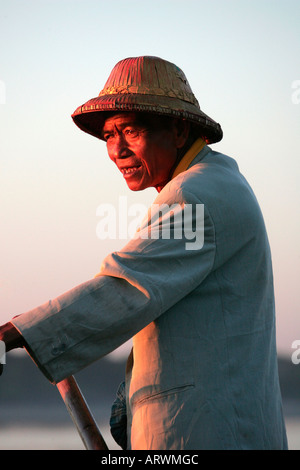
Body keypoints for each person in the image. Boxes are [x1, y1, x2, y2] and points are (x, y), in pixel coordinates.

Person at [0, 56, 288, 450]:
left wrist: (14, 335)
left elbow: (125, 288)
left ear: (179, 129)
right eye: (108, 137)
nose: (117, 150)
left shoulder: (197, 194)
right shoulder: (216, 183)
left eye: (130, 131)